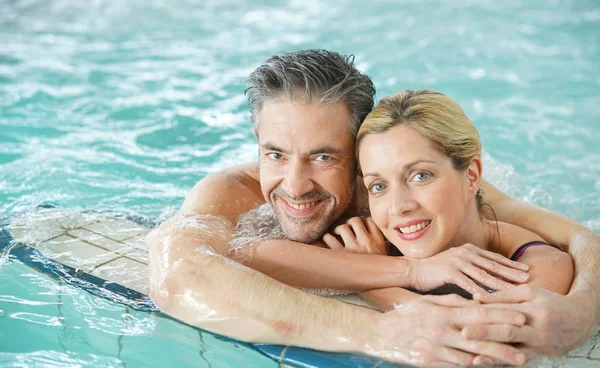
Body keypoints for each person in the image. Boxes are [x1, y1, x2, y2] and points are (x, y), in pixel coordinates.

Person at [147, 50, 600, 367]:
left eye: (324, 156)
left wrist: (583, 310)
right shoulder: (231, 192)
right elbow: (184, 274)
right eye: (275, 153)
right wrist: (397, 284)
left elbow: (574, 238)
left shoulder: (397, 188)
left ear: (360, 156)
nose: (295, 185)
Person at [320, 89, 573, 312]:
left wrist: (370, 280)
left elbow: (479, 331)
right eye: (378, 186)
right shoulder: (368, 239)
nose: (398, 207)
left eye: (420, 176)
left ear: (472, 176)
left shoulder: (540, 262)